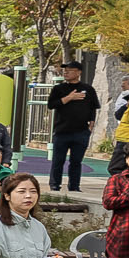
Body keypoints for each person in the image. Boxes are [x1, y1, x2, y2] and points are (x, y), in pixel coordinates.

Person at [45, 60, 97, 194]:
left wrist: (91, 124)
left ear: (79, 72)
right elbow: (51, 105)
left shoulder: (88, 89)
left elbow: (93, 107)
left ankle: (74, 186)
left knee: (76, 161)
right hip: (62, 131)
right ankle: (55, 185)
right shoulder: (59, 88)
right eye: (65, 70)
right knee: (58, 160)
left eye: (70, 70)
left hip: (81, 132)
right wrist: (69, 97)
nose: (66, 72)